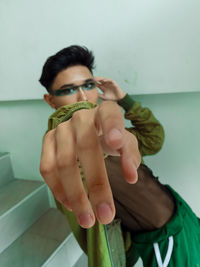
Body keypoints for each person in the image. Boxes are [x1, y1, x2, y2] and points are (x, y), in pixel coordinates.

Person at [39, 45, 200, 267]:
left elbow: (154, 139)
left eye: (88, 85)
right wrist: (65, 124)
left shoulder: (111, 134)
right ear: (50, 100)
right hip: (165, 243)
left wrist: (123, 99)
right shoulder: (65, 153)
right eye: (68, 90)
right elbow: (93, 230)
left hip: (184, 215)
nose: (83, 96)